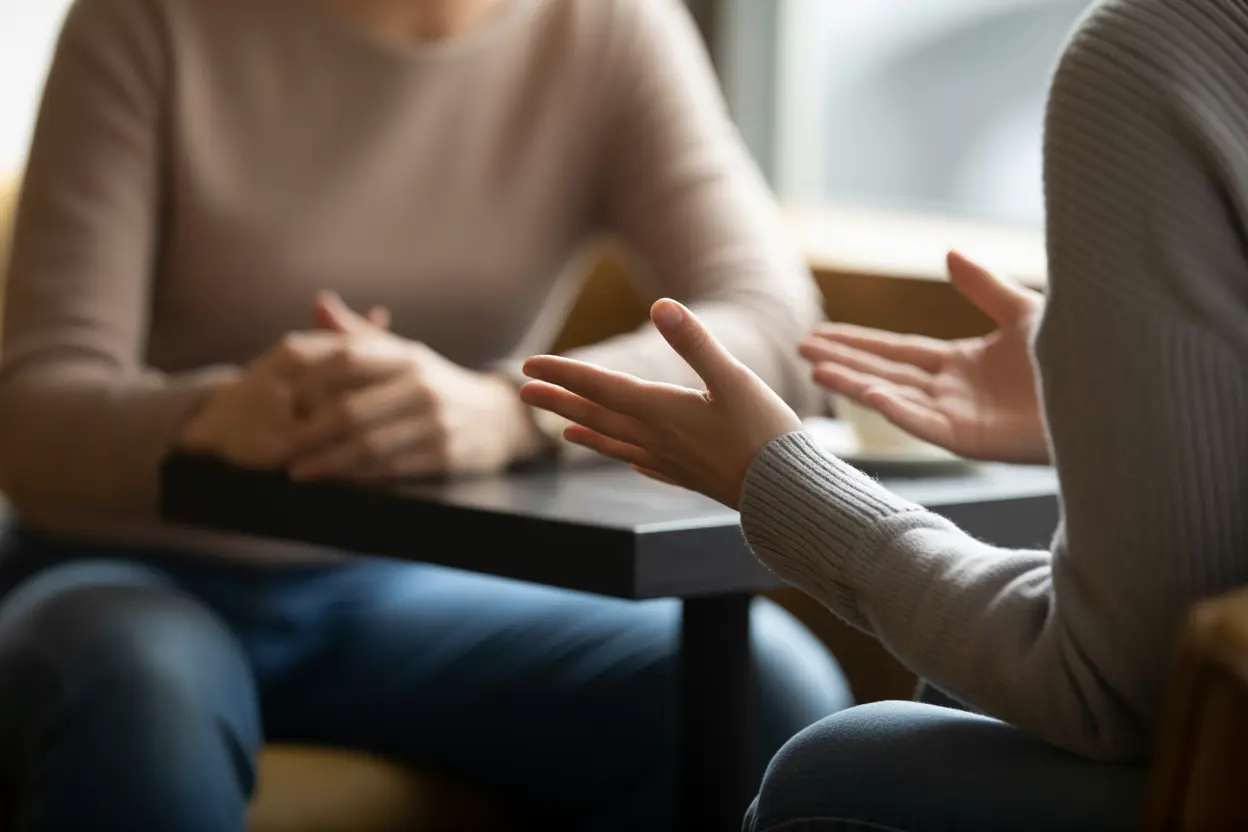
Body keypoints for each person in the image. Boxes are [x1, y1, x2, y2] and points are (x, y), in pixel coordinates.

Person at [0, 0, 852, 828]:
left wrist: (510, 409)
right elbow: (34, 412)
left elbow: (778, 325)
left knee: (767, 693)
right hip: (118, 572)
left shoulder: (608, 25)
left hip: (400, 586)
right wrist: (215, 416)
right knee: (148, 694)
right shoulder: (145, 20)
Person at [519, 0, 1248, 827]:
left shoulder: (1161, 51)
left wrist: (782, 487)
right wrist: (1115, 395)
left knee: (829, 776)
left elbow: (1115, 694)